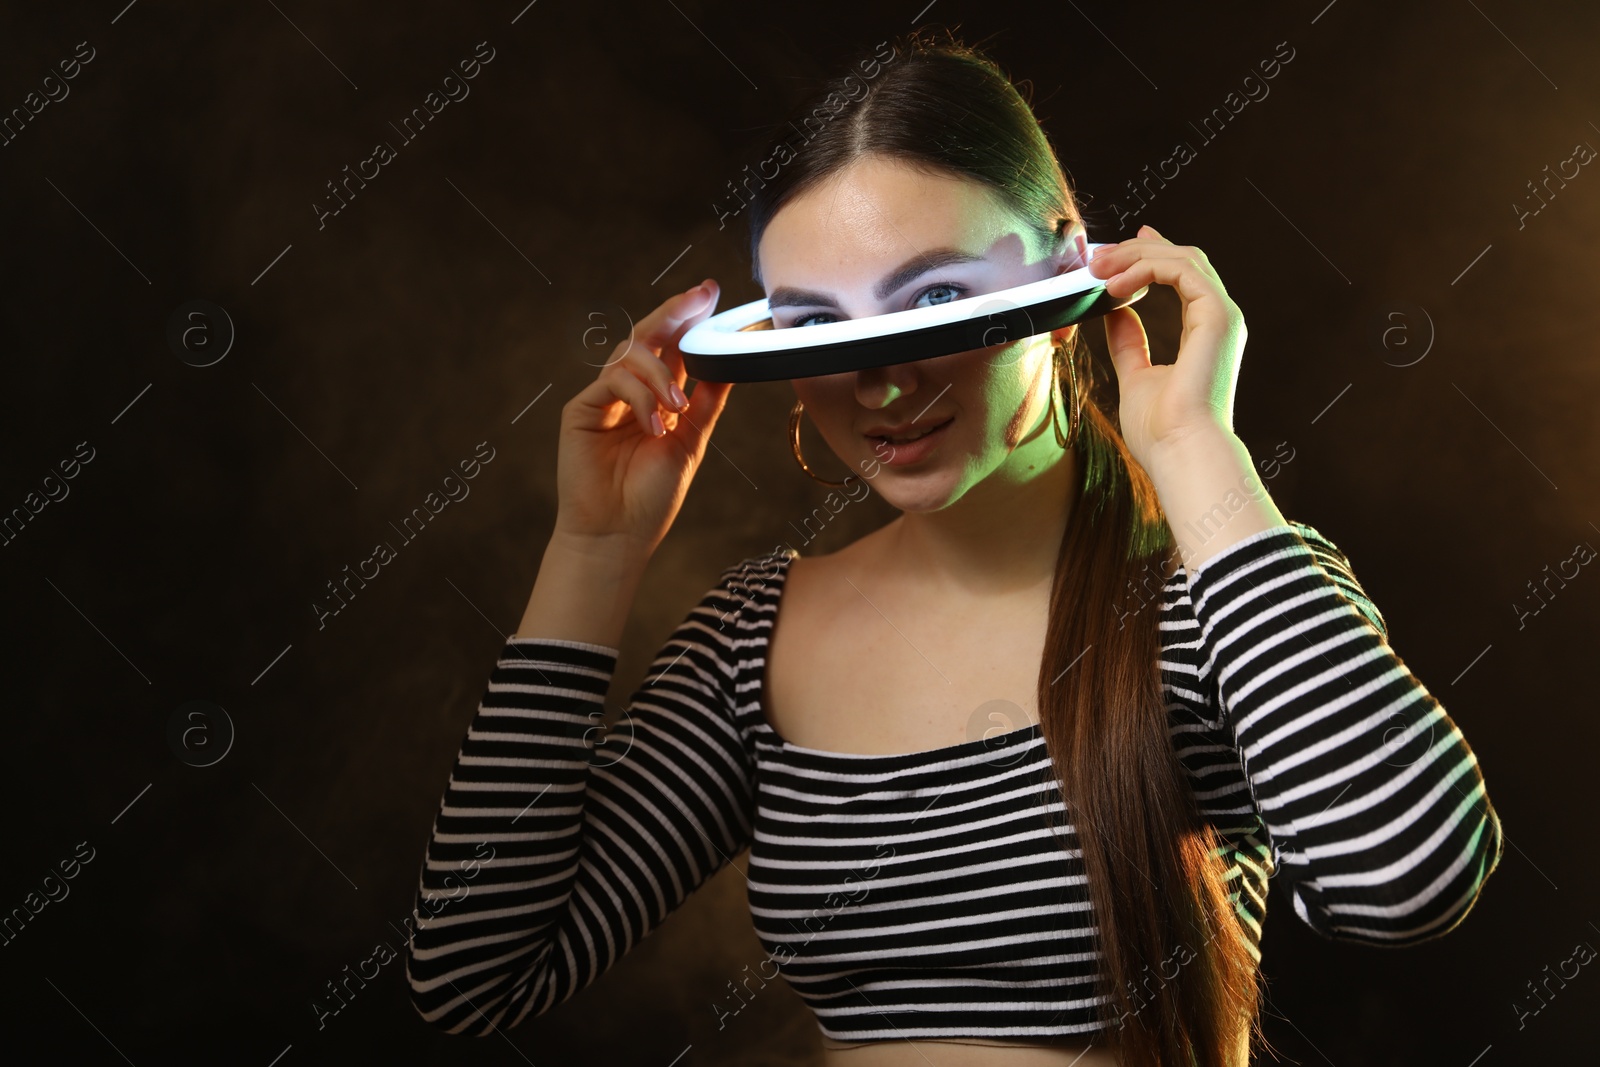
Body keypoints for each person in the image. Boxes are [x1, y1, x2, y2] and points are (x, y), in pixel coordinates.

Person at [403, 28, 1502, 1067]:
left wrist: (1193, 451)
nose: (881, 380)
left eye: (933, 297)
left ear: (1066, 258)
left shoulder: (1220, 586)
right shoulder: (752, 639)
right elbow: (471, 971)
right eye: (821, 326)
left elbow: (1405, 879)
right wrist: (595, 548)